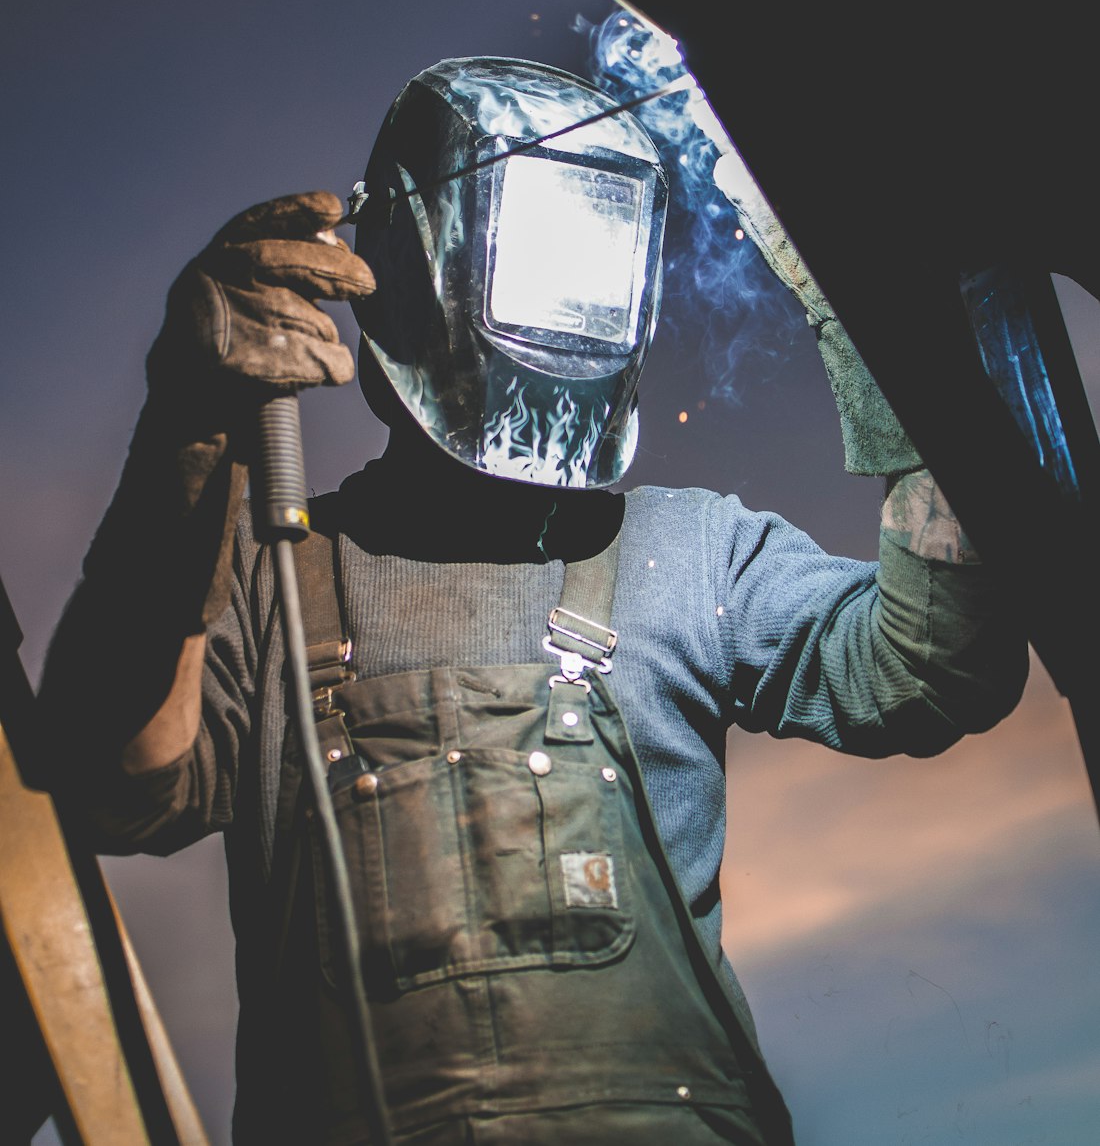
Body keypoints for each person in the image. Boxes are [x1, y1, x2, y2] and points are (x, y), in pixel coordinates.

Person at [38, 57, 1028, 1145]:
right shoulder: (271, 576)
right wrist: (185, 439)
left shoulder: (684, 550)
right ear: (413, 273)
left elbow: (932, 671)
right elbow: (113, 780)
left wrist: (888, 328)